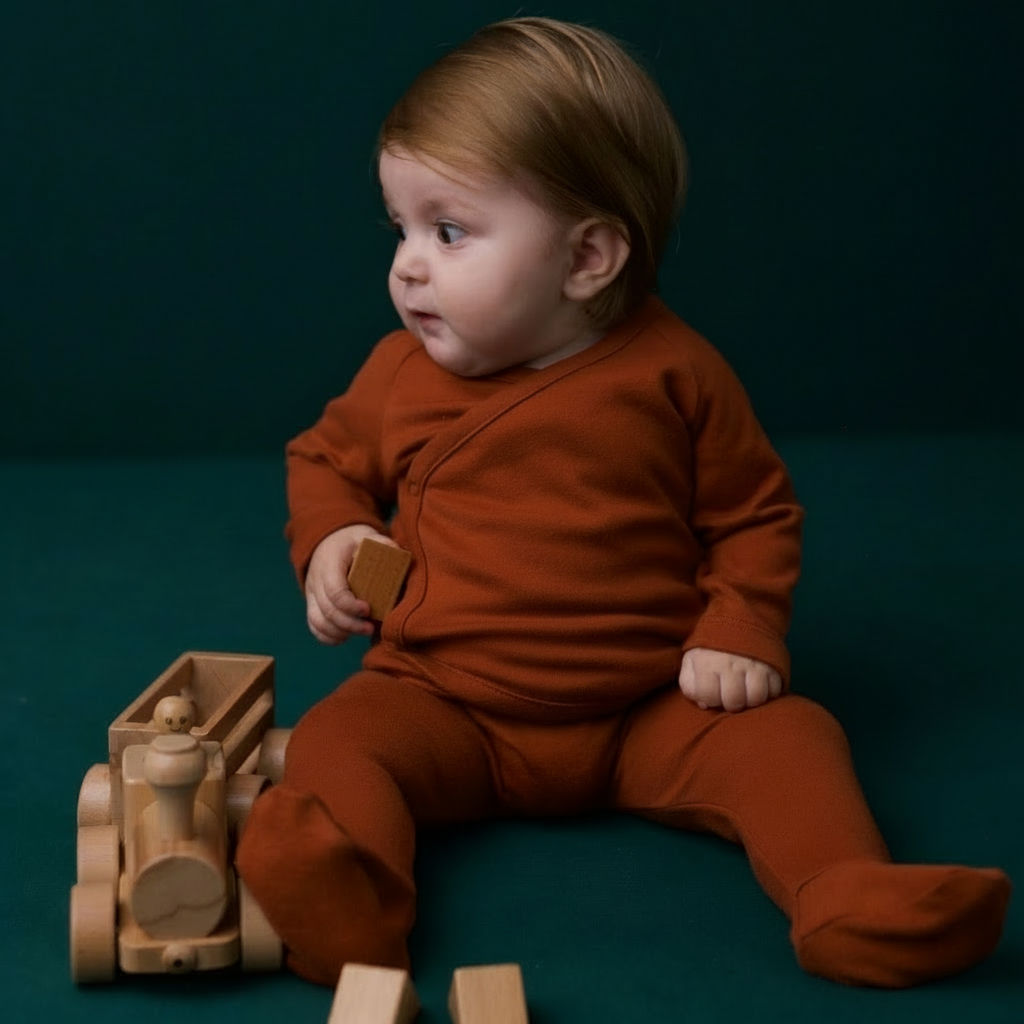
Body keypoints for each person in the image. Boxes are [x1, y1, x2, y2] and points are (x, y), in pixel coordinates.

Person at [236, 16, 1010, 989]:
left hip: (648, 705)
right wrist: (334, 534)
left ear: (587, 258)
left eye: (448, 229)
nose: (406, 264)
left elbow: (752, 514)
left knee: (790, 737)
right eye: (398, 227)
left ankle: (845, 894)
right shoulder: (398, 376)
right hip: (443, 701)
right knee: (339, 740)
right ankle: (348, 900)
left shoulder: (675, 374)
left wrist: (739, 624)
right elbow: (325, 459)